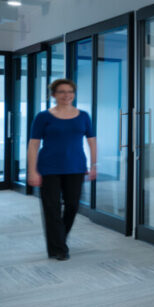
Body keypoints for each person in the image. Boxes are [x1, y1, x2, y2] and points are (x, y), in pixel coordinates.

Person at [27, 78, 97, 261]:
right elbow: (33, 145)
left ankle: (58, 239)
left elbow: (92, 142)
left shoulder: (83, 116)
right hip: (49, 168)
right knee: (52, 208)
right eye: (61, 92)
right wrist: (32, 171)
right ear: (53, 95)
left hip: (75, 167)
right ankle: (59, 248)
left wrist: (94, 165)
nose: (66, 95)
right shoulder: (43, 117)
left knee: (73, 205)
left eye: (70, 92)